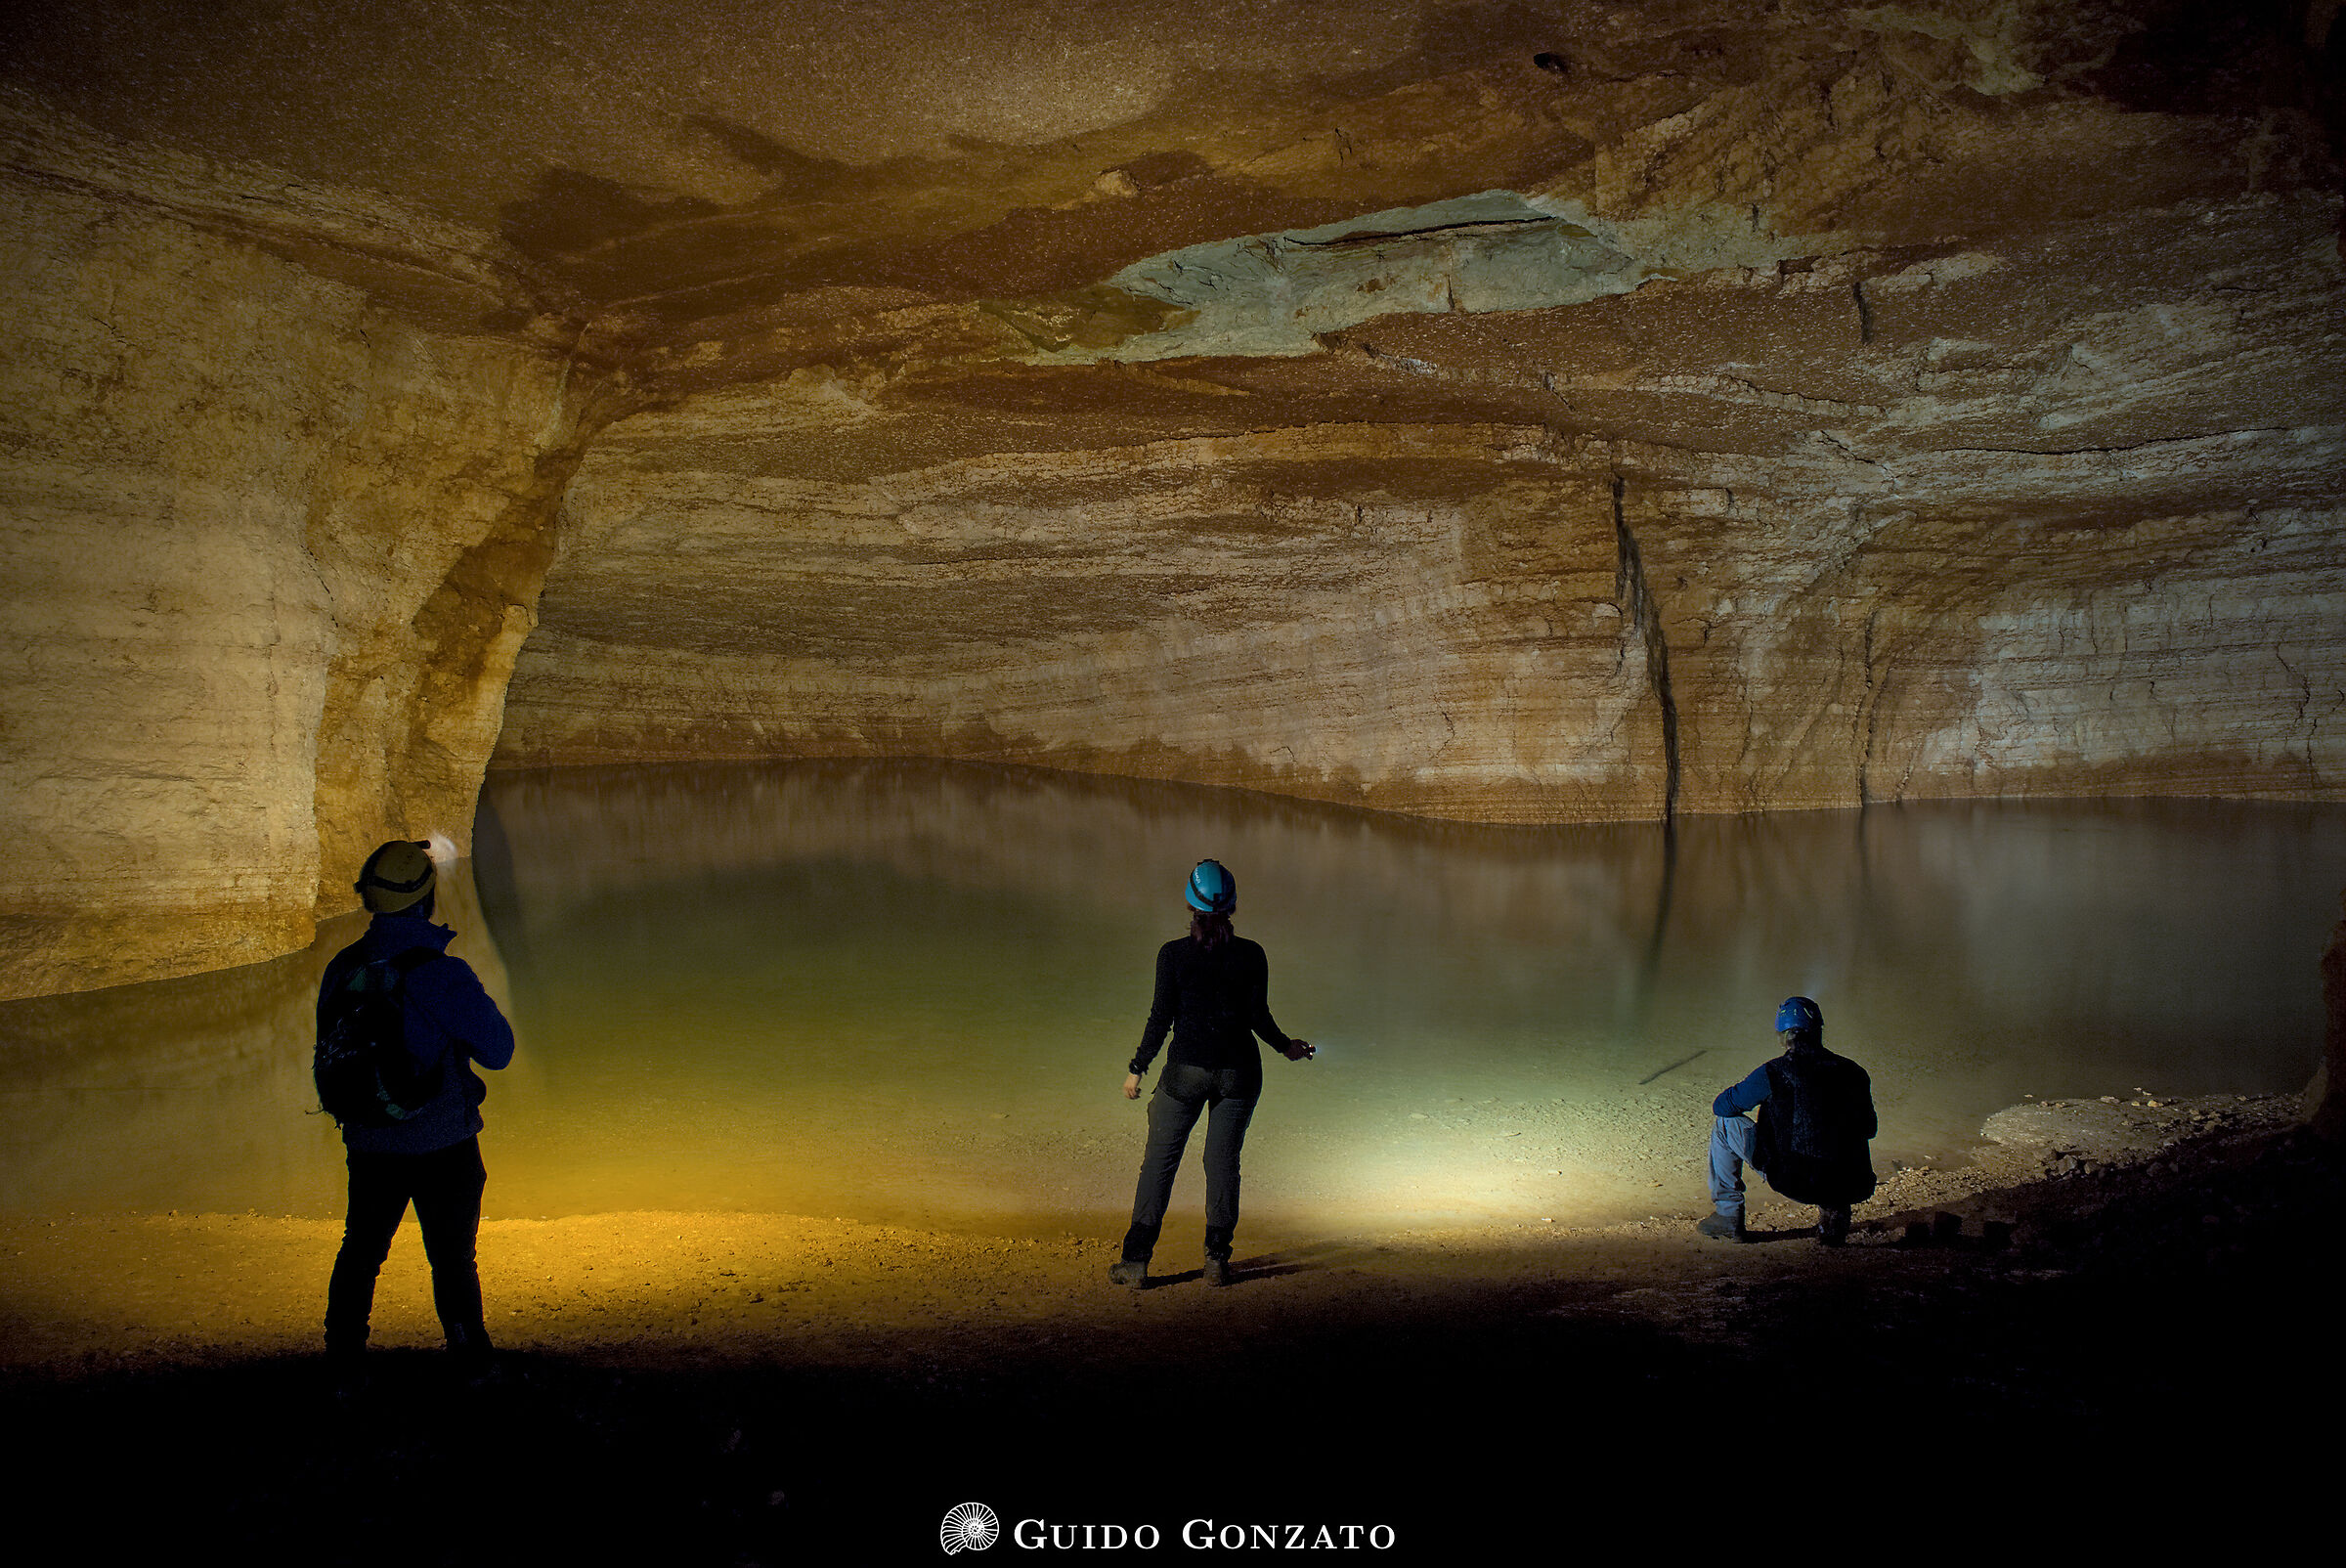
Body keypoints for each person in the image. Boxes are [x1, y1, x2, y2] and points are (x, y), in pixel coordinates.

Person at [319, 839, 516, 1379]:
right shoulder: (438, 972)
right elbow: (498, 1051)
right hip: (442, 1142)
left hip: (368, 1140)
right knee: (452, 1260)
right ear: (427, 899)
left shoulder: (341, 968)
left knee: (360, 1250)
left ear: (369, 899)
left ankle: (342, 1362)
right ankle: (471, 1360)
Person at [1110, 859, 1313, 1288]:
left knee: (1159, 1165)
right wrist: (1287, 1047)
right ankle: (1217, 1261)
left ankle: (1135, 1263)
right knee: (1222, 1164)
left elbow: (1160, 1018)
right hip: (1239, 1074)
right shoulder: (1252, 954)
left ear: (1189, 904)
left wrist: (1137, 1068)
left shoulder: (1172, 955)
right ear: (1233, 906)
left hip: (1185, 1073)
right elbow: (1259, 1017)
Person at [1698, 996, 1876, 1245]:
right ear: (1819, 1032)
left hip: (1794, 1179)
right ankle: (1833, 1221)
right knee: (1834, 1147)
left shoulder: (1774, 1071)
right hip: (1853, 1182)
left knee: (1724, 1126)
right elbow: (1870, 1129)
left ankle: (1728, 1216)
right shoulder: (1854, 1072)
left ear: (1782, 1036)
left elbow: (1722, 1106)